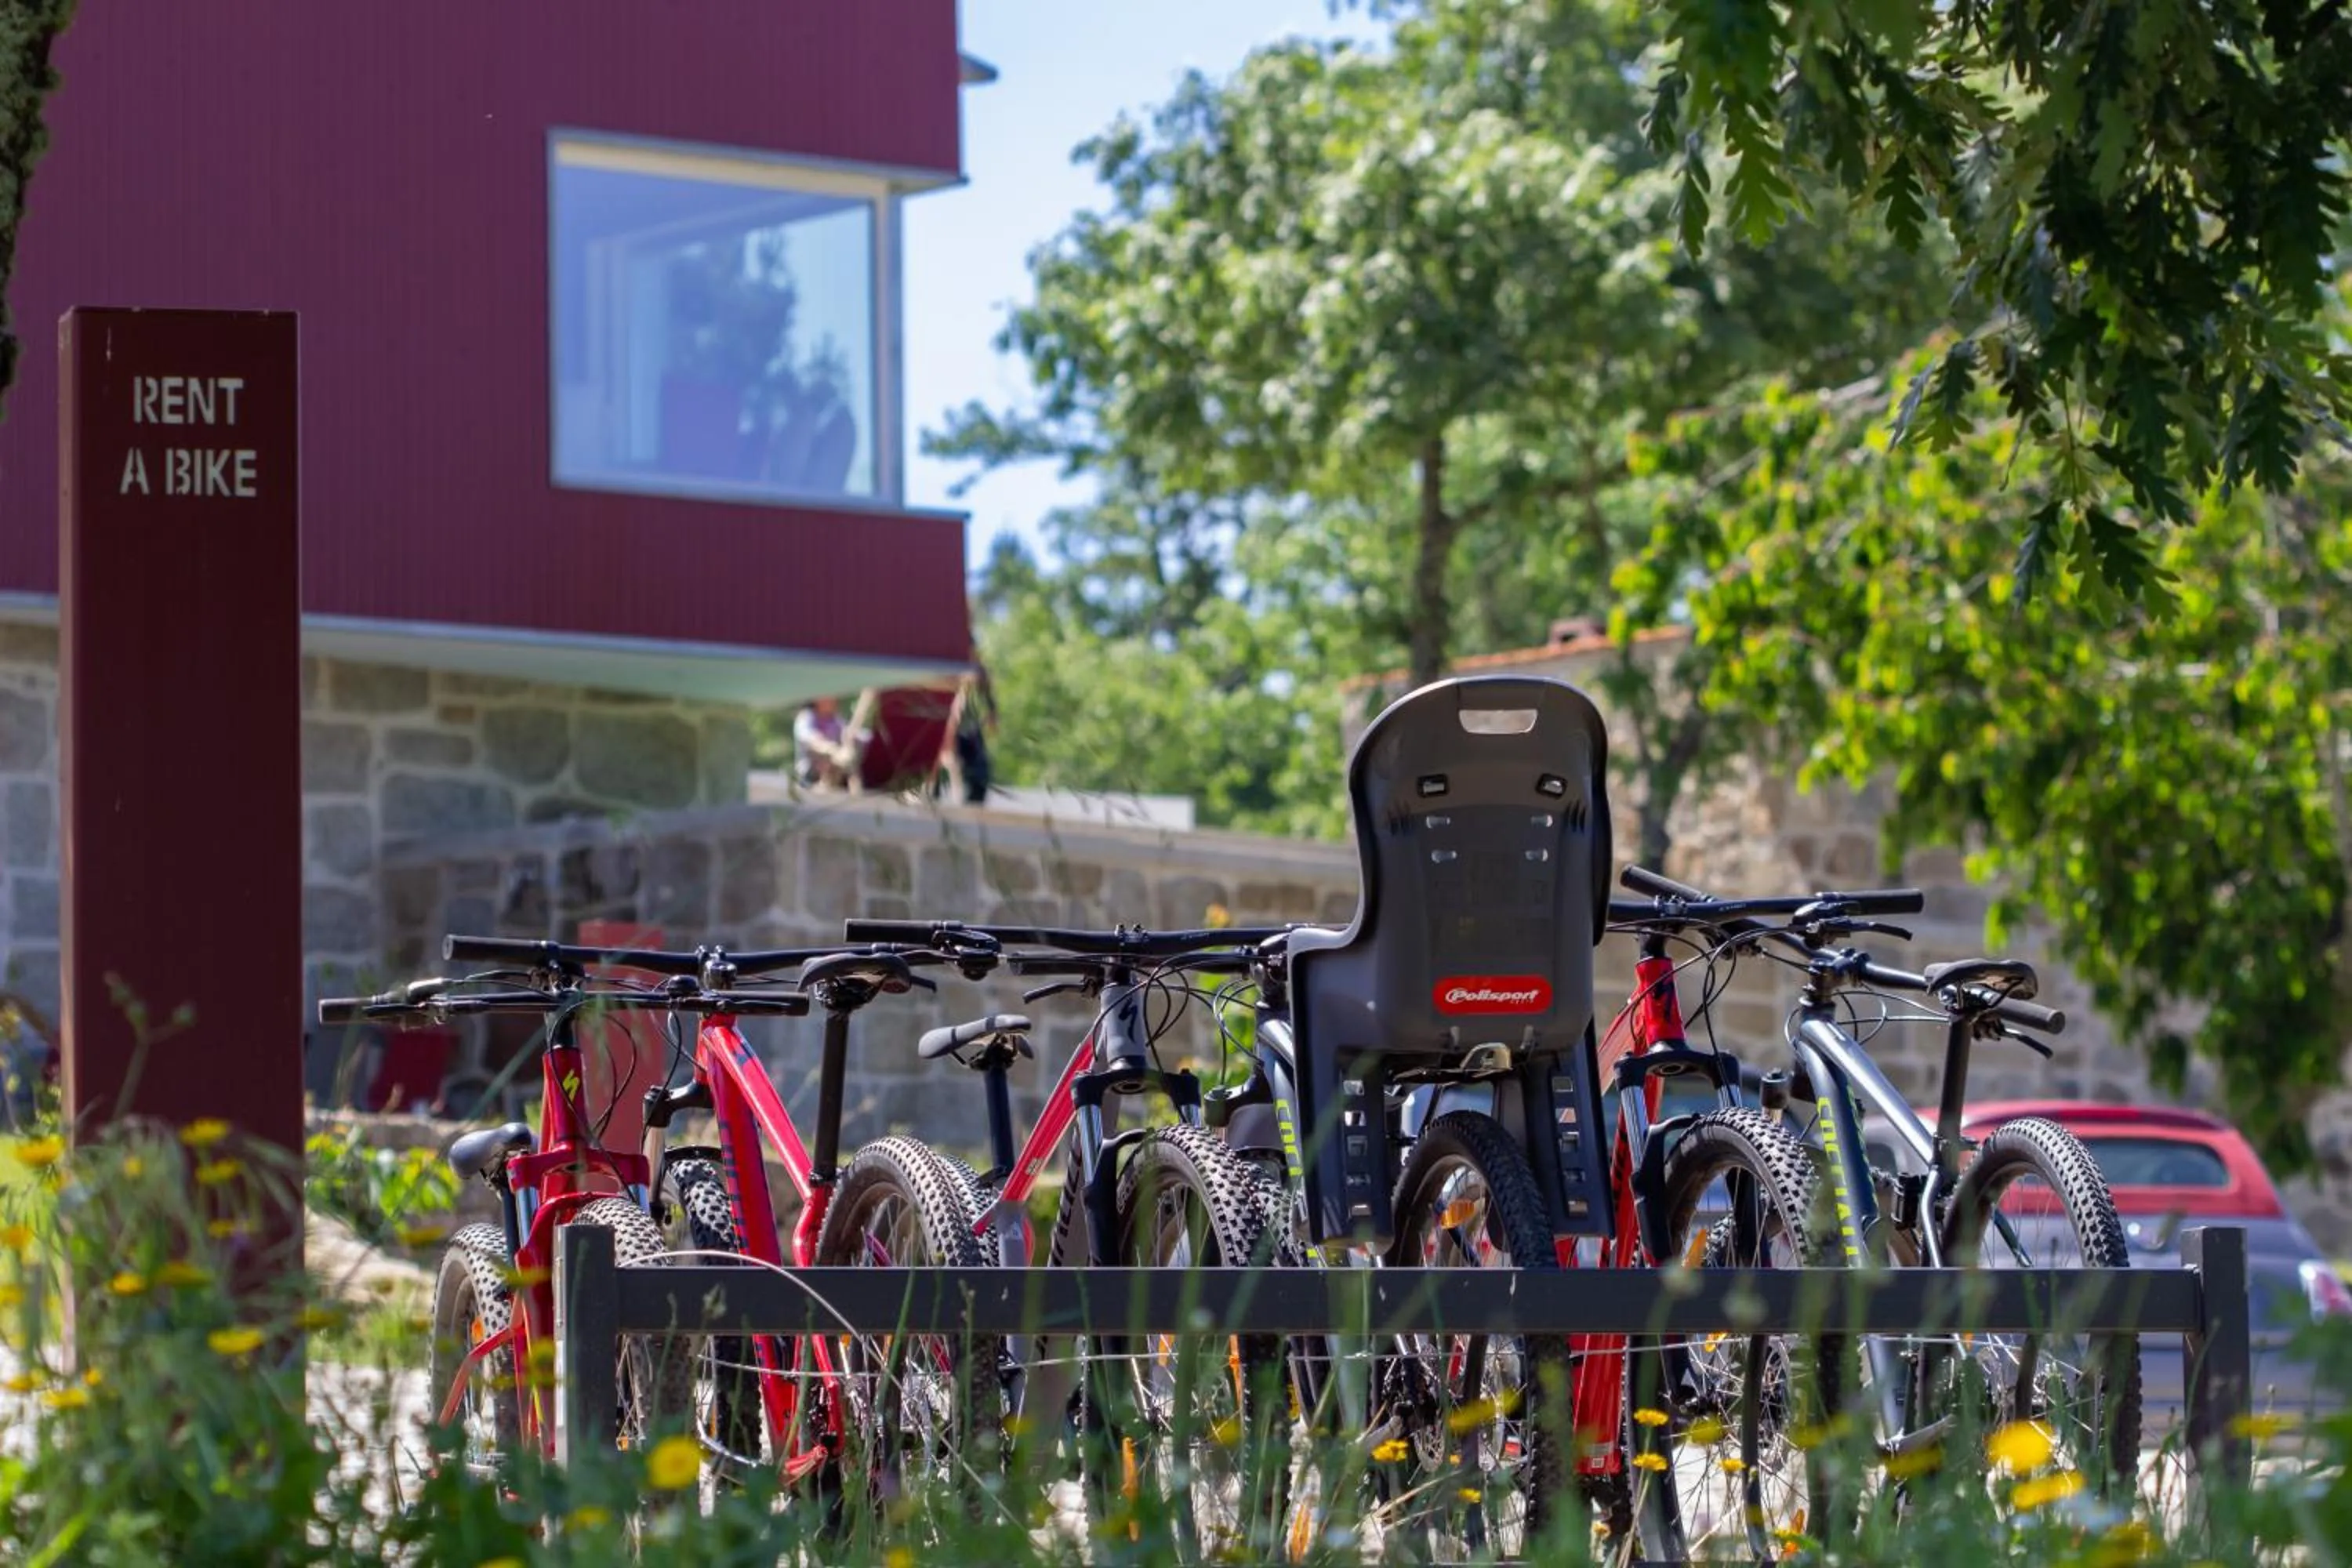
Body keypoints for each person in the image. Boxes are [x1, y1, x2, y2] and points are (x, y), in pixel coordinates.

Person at [941, 666, 997, 806]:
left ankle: (972, 796)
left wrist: (991, 715)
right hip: (957, 730)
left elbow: (986, 691)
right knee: (957, 766)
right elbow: (954, 716)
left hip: (970, 730)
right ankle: (960, 797)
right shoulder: (961, 688)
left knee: (976, 769)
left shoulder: (980, 686)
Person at [791, 694, 862, 790]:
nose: (835, 701)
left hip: (834, 773)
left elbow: (850, 734)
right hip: (810, 775)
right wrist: (834, 751)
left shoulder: (835, 720)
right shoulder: (805, 718)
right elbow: (811, 740)